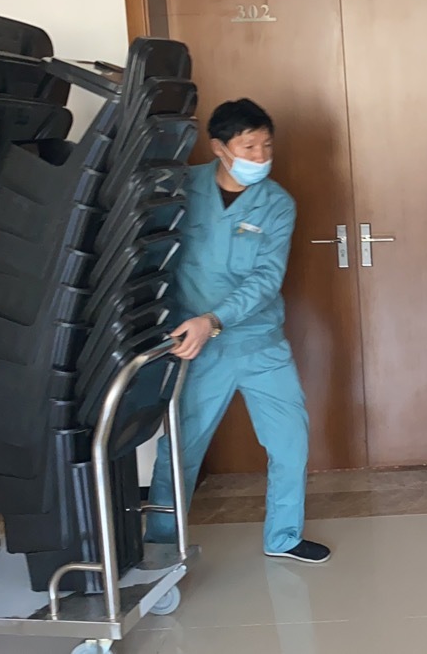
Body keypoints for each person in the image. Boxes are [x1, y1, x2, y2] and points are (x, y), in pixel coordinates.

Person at [145, 98, 331, 564]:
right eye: (249, 147)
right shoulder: (181, 188)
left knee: (290, 442)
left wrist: (214, 319)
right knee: (180, 448)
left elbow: (266, 279)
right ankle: (161, 545)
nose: (260, 156)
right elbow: (153, 255)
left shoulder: (277, 204)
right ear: (219, 148)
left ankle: (283, 537)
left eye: (267, 146)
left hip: (259, 342)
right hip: (194, 347)